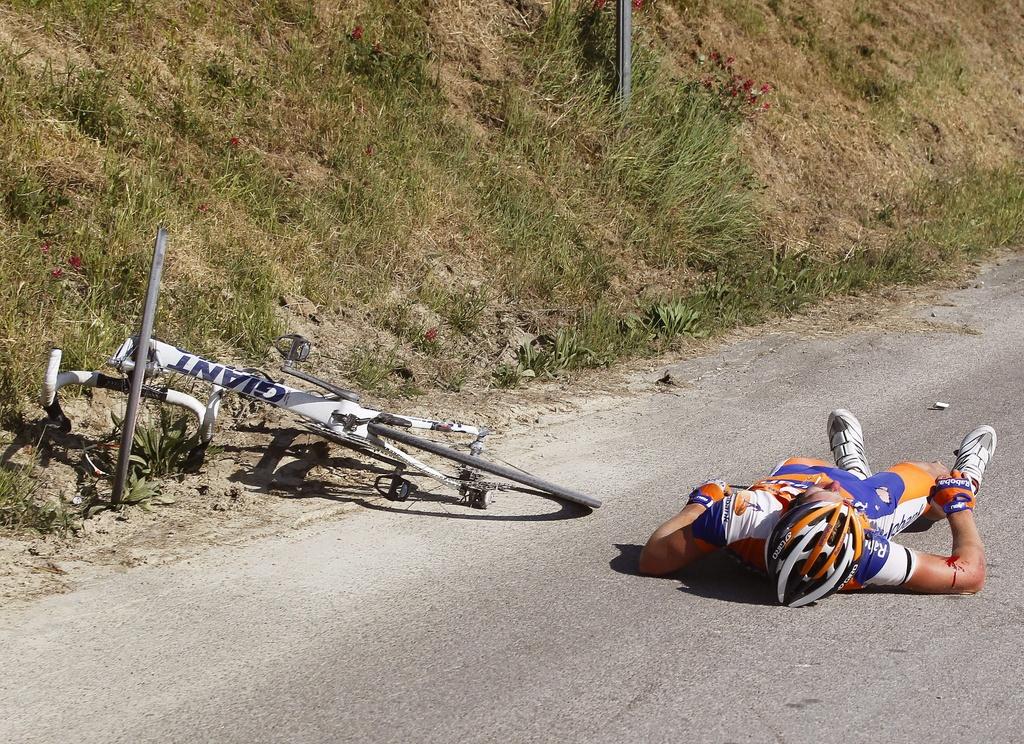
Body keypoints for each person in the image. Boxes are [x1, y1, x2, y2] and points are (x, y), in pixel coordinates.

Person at [638, 410, 995, 607]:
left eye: (821, 492)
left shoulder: (746, 513)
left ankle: (855, 468)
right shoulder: (869, 554)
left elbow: (653, 558)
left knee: (804, 462)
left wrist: (699, 505)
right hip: (869, 510)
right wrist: (960, 506)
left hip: (794, 496)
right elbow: (969, 576)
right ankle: (964, 480)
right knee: (935, 477)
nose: (830, 485)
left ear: (786, 513)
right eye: (834, 492)